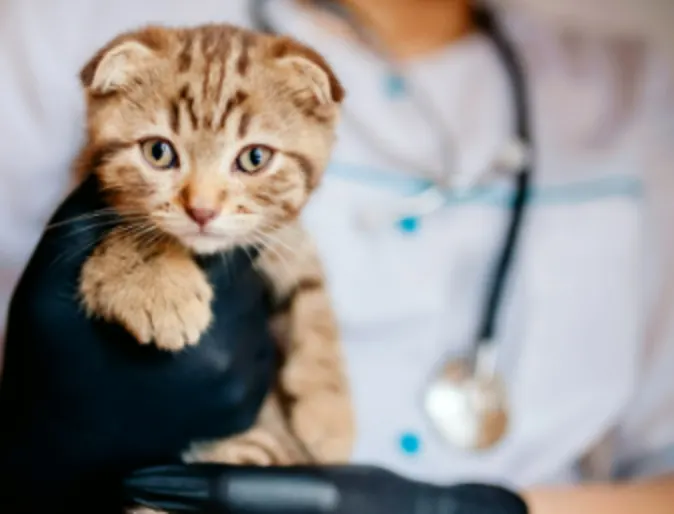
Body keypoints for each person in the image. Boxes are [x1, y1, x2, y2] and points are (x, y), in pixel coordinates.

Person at [0, 0, 673, 512]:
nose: (204, 201)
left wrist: (465, 511)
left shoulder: (644, 90)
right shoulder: (65, 26)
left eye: (253, 156)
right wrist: (39, 456)